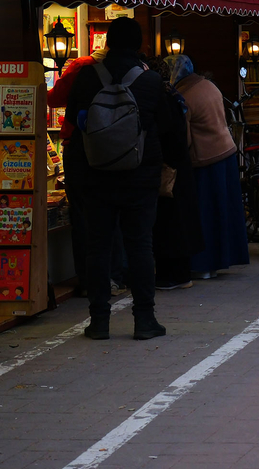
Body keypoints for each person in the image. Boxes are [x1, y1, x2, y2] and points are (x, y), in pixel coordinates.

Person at [66, 18, 168, 340]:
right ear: (138, 45)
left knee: (98, 247)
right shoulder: (151, 82)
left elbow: (71, 120)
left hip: (96, 176)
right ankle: (144, 320)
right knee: (140, 246)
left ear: (107, 41)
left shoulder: (86, 77)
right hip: (140, 177)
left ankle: (99, 322)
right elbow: (168, 128)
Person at [169, 55, 249, 280]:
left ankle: (204, 265)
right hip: (226, 151)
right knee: (223, 211)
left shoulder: (183, 96)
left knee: (205, 214)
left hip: (205, 160)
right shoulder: (209, 85)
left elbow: (183, 138)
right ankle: (221, 261)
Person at [46, 44, 106, 295]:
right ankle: (113, 275)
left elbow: (54, 99)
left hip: (80, 147)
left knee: (82, 215)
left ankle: (89, 281)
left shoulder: (81, 66)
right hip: (116, 150)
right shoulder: (135, 69)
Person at [146, 57, 203, 291]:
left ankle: (173, 276)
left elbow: (163, 133)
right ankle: (181, 274)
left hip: (169, 169)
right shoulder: (174, 95)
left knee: (170, 223)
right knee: (179, 221)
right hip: (181, 166)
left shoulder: (161, 99)